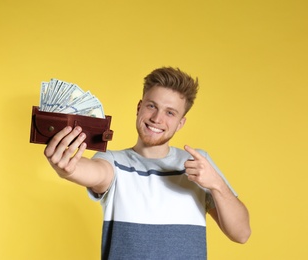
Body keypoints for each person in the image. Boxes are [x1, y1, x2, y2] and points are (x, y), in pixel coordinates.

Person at [44, 67, 251, 259]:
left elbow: (241, 234)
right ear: (139, 107)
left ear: (180, 123)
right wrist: (67, 169)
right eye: (152, 106)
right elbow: (91, 172)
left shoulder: (198, 164)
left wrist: (216, 184)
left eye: (170, 112)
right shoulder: (113, 162)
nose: (157, 118)